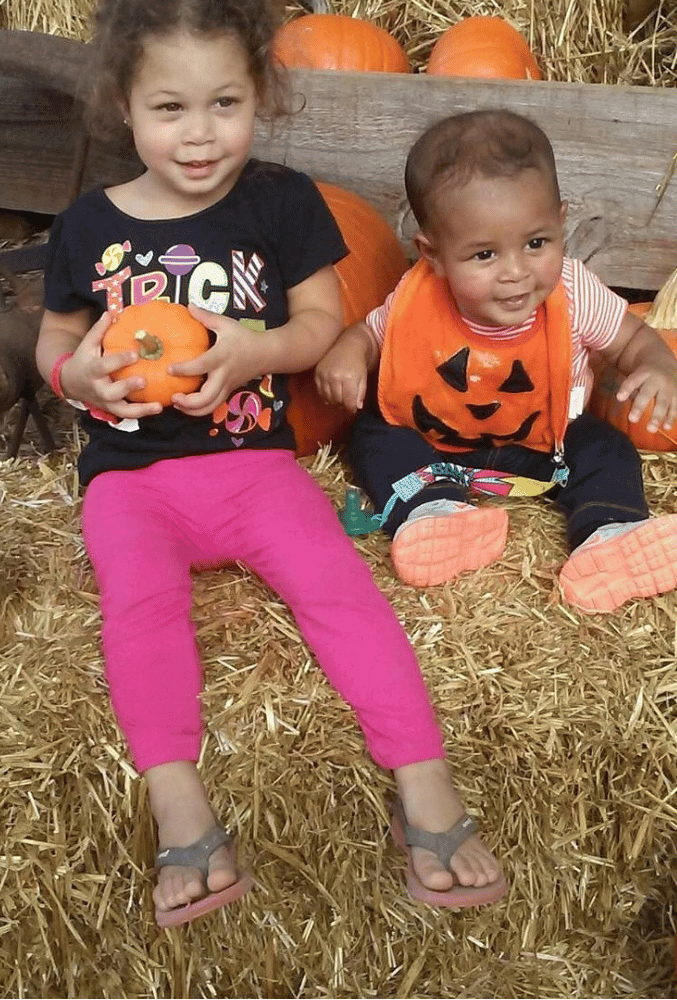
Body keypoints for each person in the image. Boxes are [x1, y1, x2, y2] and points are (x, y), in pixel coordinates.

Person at [37, 0, 506, 928]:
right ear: (123, 110)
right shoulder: (87, 227)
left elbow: (321, 324)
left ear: (261, 96)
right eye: (170, 109)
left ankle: (425, 780)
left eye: (225, 103)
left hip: (255, 468)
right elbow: (54, 338)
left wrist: (254, 352)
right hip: (132, 483)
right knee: (140, 607)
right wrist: (74, 373)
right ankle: (178, 798)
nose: (201, 134)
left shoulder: (282, 201)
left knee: (339, 587)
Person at [315, 109, 677, 613]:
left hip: (544, 443)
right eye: (484, 256)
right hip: (433, 442)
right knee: (373, 432)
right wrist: (348, 351)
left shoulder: (571, 291)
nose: (516, 273)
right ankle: (433, 513)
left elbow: (633, 340)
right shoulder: (418, 298)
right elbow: (371, 334)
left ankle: (610, 534)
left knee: (605, 447)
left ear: (561, 223)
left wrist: (660, 365)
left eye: (535, 243)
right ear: (432, 255)